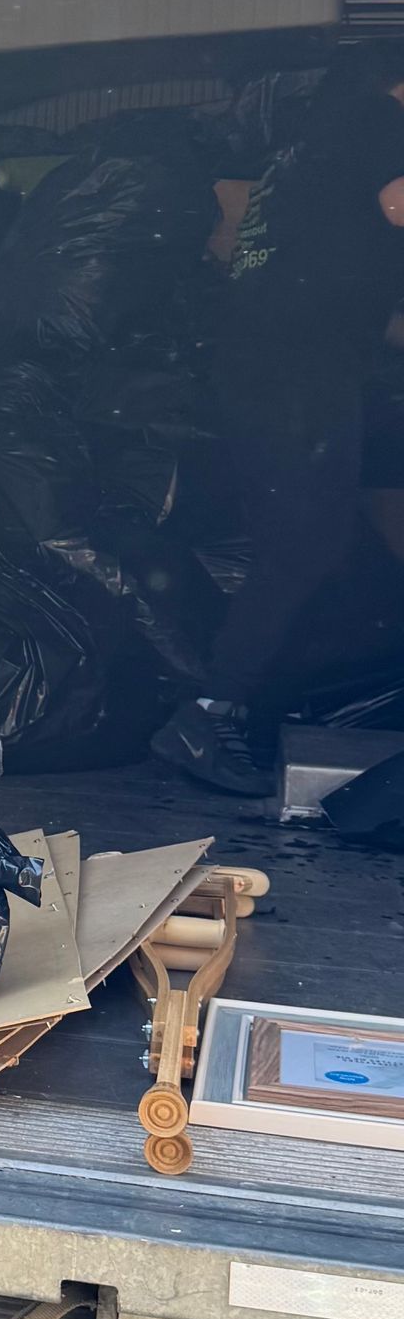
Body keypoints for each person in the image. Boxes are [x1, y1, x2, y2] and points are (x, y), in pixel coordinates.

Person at [152, 40, 404, 793]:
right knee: (306, 544)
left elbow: (345, 294)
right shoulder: (378, 118)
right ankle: (206, 714)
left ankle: (235, 714)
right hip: (298, 374)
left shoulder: (306, 153)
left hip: (265, 368)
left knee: (308, 545)